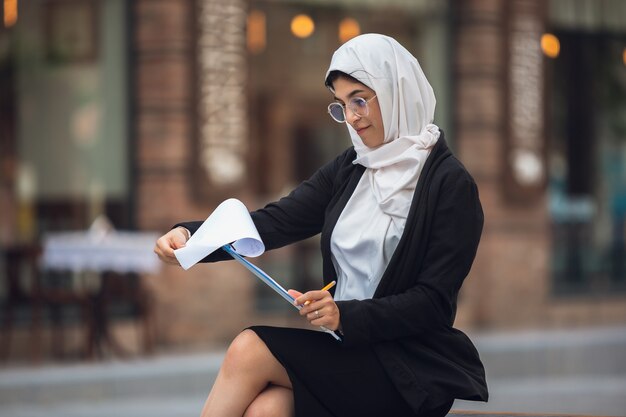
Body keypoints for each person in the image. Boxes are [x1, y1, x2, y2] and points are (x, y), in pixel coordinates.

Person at [154, 33, 488, 417]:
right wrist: (191, 237)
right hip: (348, 354)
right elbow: (275, 221)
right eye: (341, 105)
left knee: (249, 347)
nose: (352, 117)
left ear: (396, 90)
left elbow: (433, 302)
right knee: (268, 410)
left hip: (408, 369)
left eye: (360, 100)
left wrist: (346, 315)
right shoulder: (352, 167)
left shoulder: (450, 184)